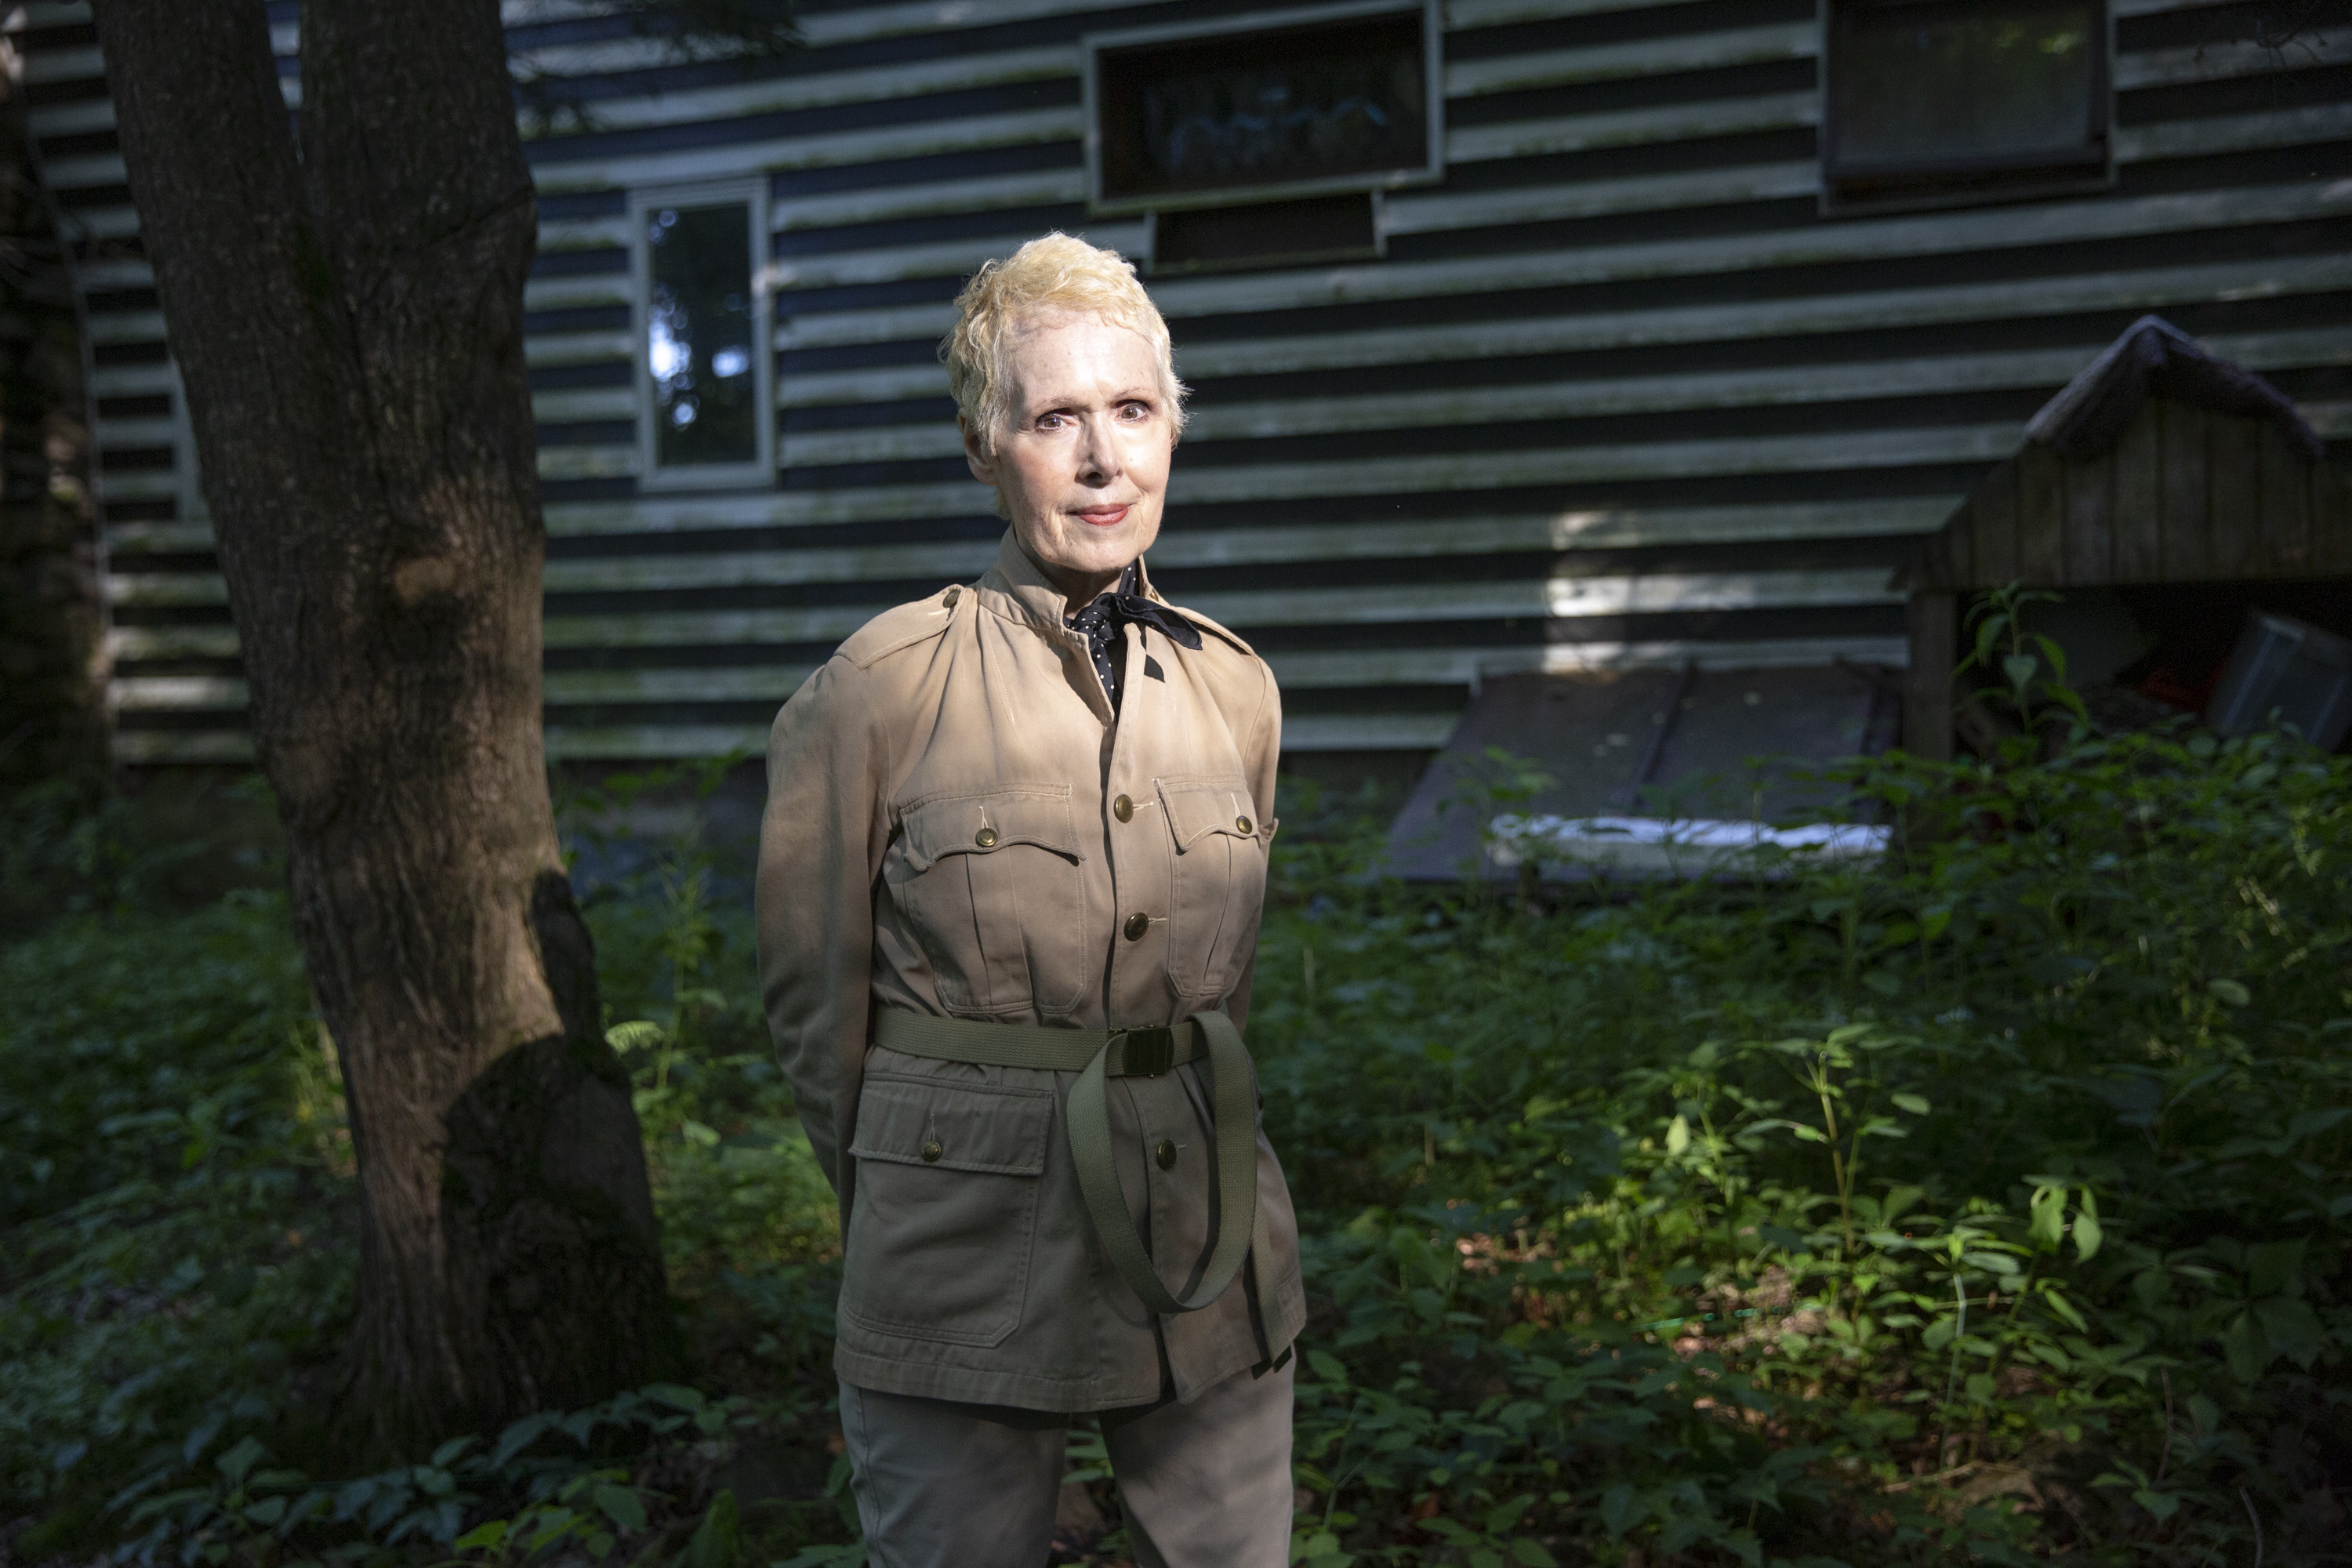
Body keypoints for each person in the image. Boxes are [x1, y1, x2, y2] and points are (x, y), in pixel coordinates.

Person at [755, 231, 1305, 1568]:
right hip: (960, 1251)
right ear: (983, 446)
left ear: (1174, 431)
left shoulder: (1235, 688)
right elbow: (813, 1018)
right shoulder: (878, 689)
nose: (1105, 458)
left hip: (1206, 1231)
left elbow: (1224, 984)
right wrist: (913, 1184)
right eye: (1056, 417)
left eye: (1133, 411)